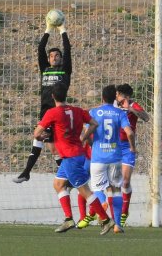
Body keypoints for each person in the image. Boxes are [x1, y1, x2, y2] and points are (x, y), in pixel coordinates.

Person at [33, 82, 114, 235]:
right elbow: (94, 123)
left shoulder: (52, 113)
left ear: (52, 96)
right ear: (66, 95)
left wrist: (45, 136)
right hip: (74, 155)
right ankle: (69, 219)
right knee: (58, 184)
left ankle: (106, 219)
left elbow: (37, 133)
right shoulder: (77, 111)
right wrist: (84, 136)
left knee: (84, 190)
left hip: (71, 157)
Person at [13, 18, 72, 183]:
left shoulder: (65, 70)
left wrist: (62, 30)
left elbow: (68, 49)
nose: (54, 58)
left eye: (57, 56)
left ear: (61, 59)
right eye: (51, 56)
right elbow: (40, 48)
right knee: (48, 145)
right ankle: (29, 172)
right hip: (45, 111)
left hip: (58, 112)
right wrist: (47, 29)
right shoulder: (44, 69)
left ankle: (27, 171)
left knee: (45, 142)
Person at [88, 85, 136, 233]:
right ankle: (118, 225)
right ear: (115, 97)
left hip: (98, 157)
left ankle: (103, 205)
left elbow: (86, 131)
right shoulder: (119, 113)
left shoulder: (94, 112)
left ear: (102, 97)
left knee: (96, 189)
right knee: (116, 190)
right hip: (115, 157)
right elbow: (130, 132)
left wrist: (90, 143)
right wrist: (132, 147)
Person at [115, 83, 149, 227]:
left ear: (126, 96)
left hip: (128, 146)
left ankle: (124, 211)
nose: (116, 96)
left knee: (126, 181)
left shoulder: (134, 105)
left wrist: (130, 109)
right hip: (113, 146)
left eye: (118, 94)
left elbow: (146, 117)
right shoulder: (113, 105)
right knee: (111, 182)